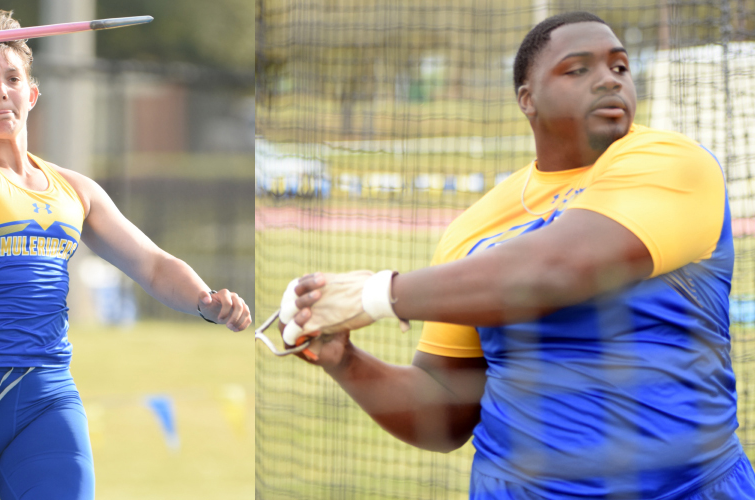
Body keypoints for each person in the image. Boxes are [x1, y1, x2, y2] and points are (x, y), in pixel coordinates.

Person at [282, 11, 755, 499]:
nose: (608, 80)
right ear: (527, 99)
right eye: (578, 69)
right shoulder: (474, 229)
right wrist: (345, 360)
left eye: (619, 67)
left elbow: (555, 270)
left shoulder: (674, 163)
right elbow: (446, 412)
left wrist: (377, 294)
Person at [0, 9, 251, 500]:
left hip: (47, 397)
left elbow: (151, 263)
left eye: (12, 78)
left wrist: (204, 300)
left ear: (32, 94)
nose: (0, 90)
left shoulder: (75, 191)